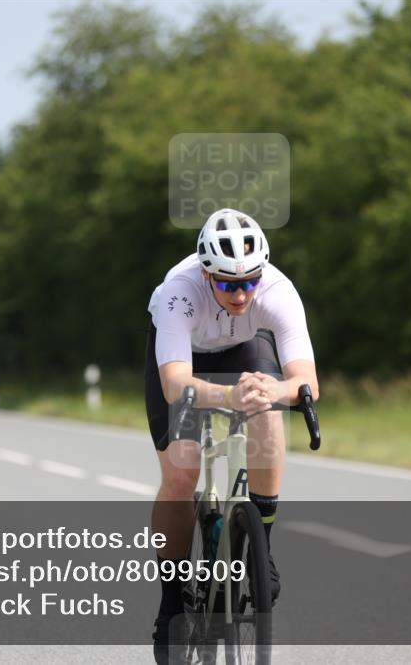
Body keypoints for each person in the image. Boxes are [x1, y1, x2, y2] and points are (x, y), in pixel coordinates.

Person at [145, 208, 319, 661]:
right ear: (206, 275)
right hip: (185, 365)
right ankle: (171, 600)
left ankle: (261, 543)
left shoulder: (278, 291)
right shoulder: (179, 294)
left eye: (249, 282)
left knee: (267, 408)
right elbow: (174, 384)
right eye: (227, 284)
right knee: (182, 473)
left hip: (244, 349)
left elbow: (306, 382)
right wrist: (227, 396)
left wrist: (273, 390)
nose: (241, 294)